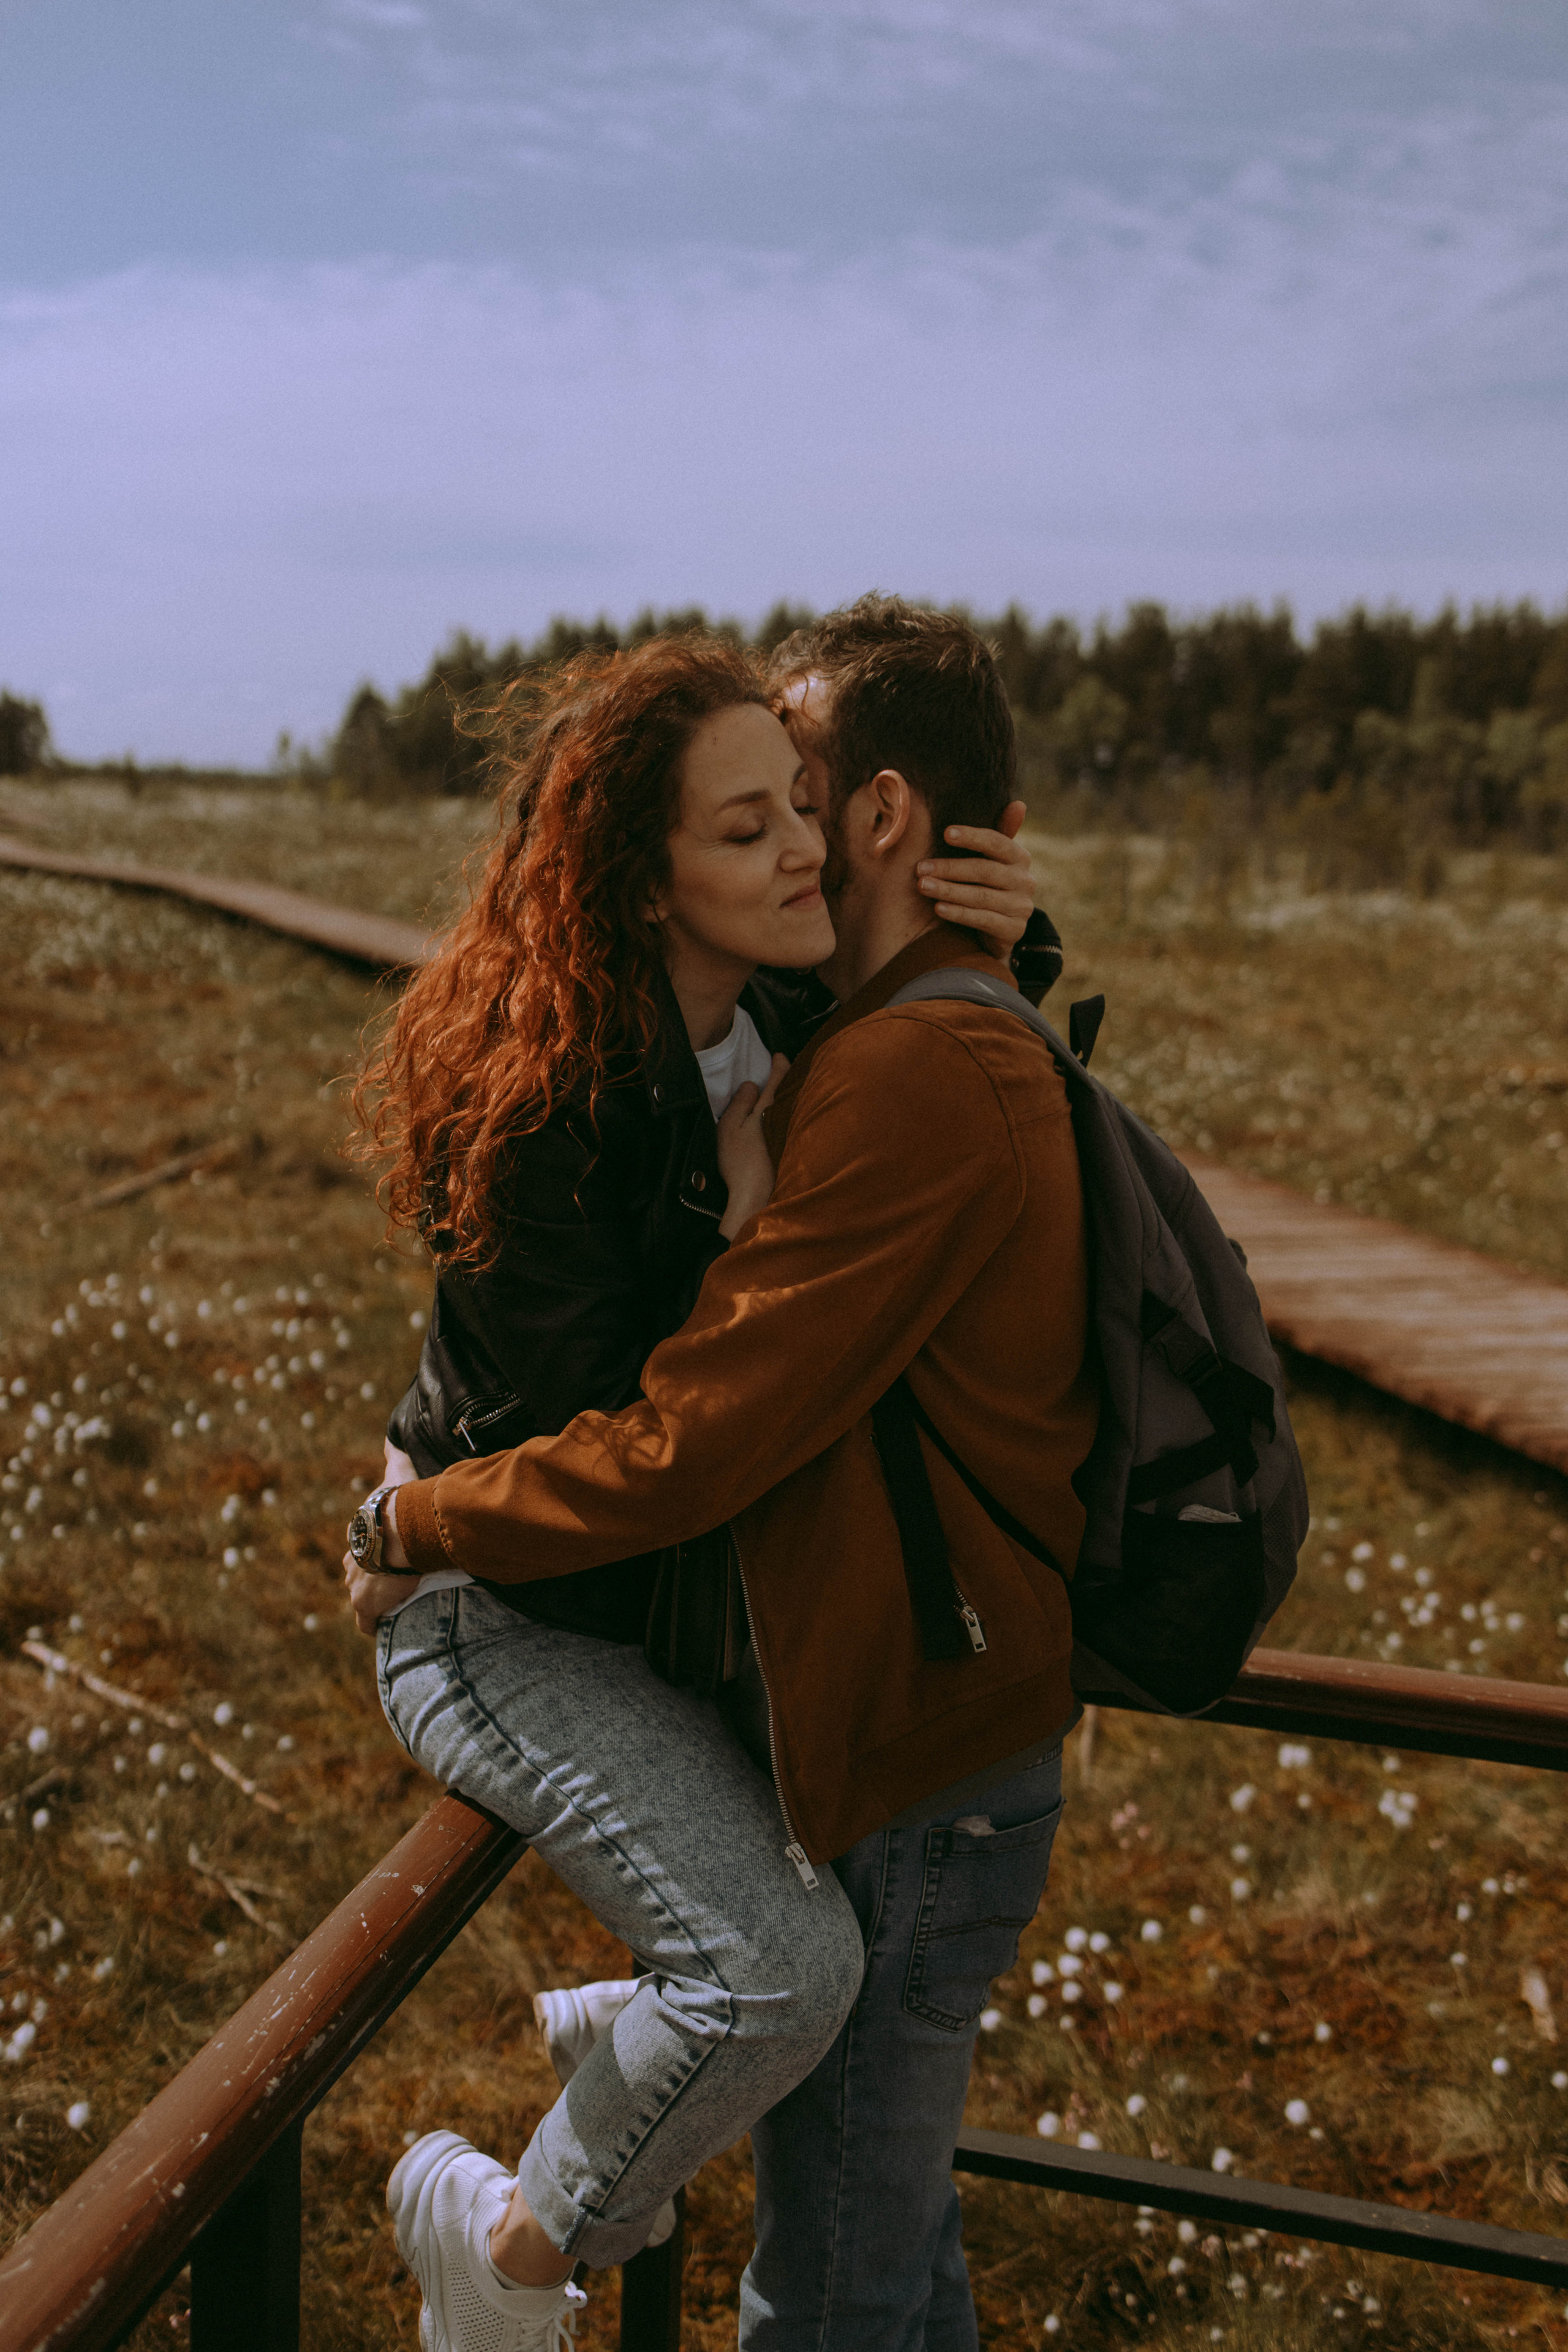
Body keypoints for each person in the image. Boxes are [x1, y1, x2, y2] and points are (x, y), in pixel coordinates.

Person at [352, 598, 1100, 2348]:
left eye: (806, 804)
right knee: (789, 1989)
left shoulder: (790, 1004)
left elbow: (937, 1084)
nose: (805, 846)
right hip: (506, 1596)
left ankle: (653, 2047)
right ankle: (518, 2242)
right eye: (748, 823)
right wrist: (410, 1512)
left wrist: (1020, 942)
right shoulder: (567, 1110)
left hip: (651, 1595)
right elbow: (635, 1437)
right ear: (645, 873)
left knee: (845, 2153)